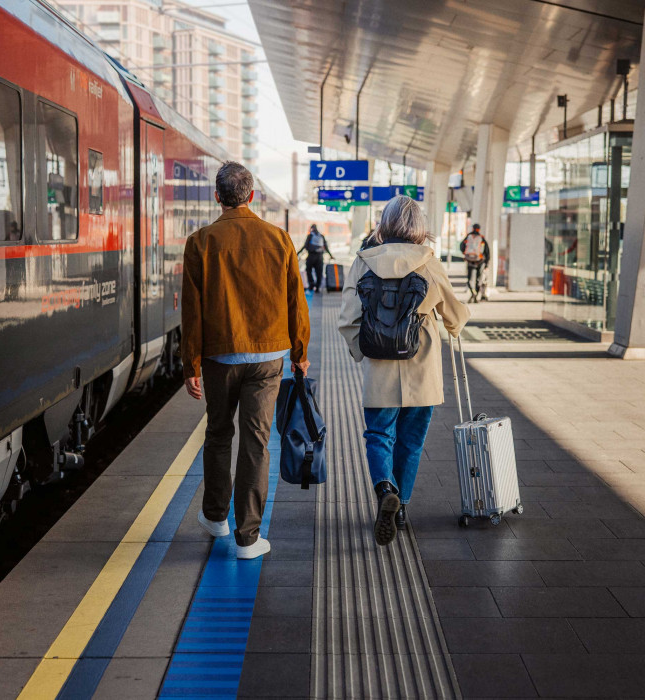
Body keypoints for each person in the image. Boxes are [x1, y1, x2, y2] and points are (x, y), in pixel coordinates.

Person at [181, 161, 311, 560]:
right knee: (256, 441)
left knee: (219, 433)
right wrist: (300, 354)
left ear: (217, 197)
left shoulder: (200, 242)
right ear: (251, 196)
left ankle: (215, 517)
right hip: (268, 358)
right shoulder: (279, 239)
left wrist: (191, 365)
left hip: (219, 357)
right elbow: (296, 300)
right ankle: (249, 538)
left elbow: (192, 311)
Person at [338, 195, 469, 547]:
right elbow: (455, 316)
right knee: (411, 441)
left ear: (385, 224)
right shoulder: (429, 262)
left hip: (380, 368)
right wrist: (455, 322)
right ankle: (401, 509)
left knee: (378, 435)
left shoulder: (363, 261)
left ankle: (385, 490)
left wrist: (362, 352)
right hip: (422, 369)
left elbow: (347, 318)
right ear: (419, 227)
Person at [298, 223, 334, 292]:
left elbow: (305, 246)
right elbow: (326, 247)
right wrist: (331, 255)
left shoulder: (310, 236)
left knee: (308, 270)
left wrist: (298, 253)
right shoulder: (321, 236)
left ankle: (311, 284)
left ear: (312, 228)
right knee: (319, 272)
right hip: (320, 257)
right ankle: (317, 287)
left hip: (311, 256)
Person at [460, 223, 490, 303]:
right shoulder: (481, 238)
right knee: (478, 279)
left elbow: (461, 246)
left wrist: (466, 254)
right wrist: (486, 263)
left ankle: (473, 292)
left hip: (470, 261)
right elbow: (487, 251)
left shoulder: (468, 237)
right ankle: (476, 296)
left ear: (472, 228)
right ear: (479, 229)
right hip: (480, 261)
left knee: (470, 279)